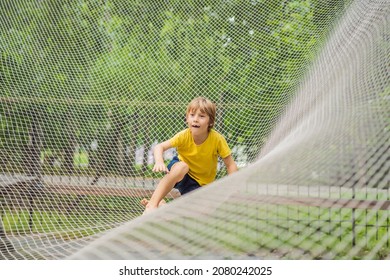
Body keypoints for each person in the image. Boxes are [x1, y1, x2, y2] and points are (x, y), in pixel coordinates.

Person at [142, 96, 238, 214]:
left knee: (204, 210)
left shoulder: (217, 139)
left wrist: (233, 184)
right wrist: (159, 161)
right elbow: (159, 147)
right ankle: (153, 204)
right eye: (192, 115)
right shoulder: (184, 135)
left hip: (199, 183)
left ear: (210, 121)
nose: (196, 119)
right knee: (182, 167)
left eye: (201, 116)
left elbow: (230, 165)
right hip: (180, 172)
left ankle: (164, 207)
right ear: (187, 118)